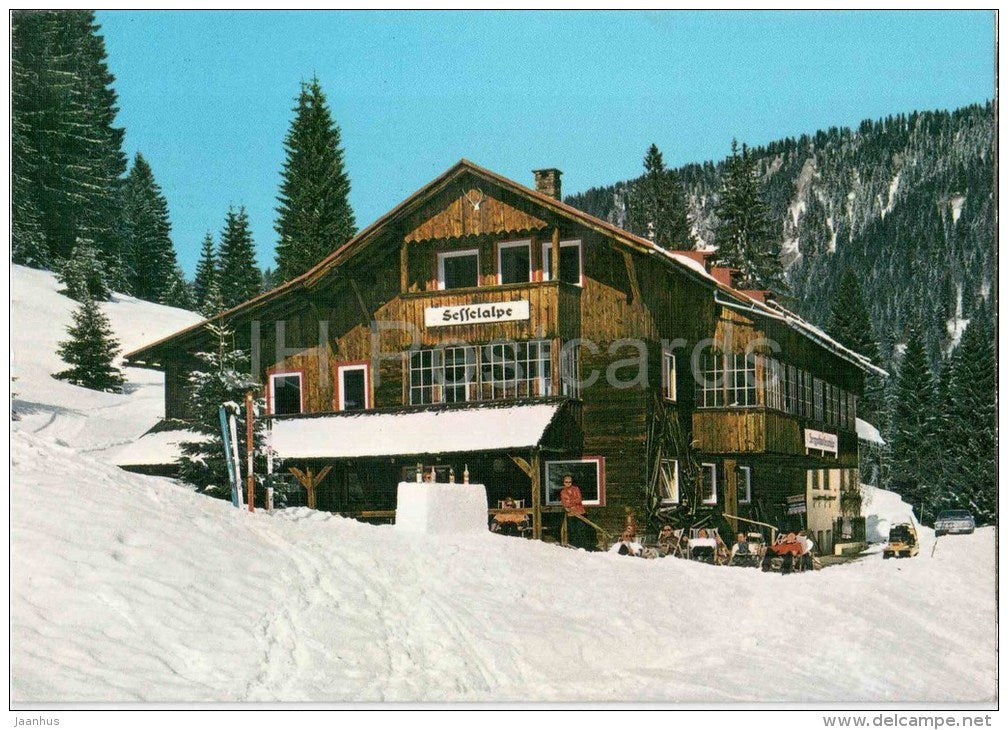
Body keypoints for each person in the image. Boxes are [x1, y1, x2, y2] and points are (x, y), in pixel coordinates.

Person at [560, 474, 594, 551]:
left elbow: (579, 499)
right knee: (573, 531)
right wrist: (572, 502)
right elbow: (564, 504)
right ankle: (576, 547)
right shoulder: (562, 492)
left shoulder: (576, 489)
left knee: (581, 530)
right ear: (564, 483)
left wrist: (570, 502)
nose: (568, 483)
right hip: (571, 514)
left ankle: (584, 548)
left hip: (580, 513)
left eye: (570, 481)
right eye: (566, 482)